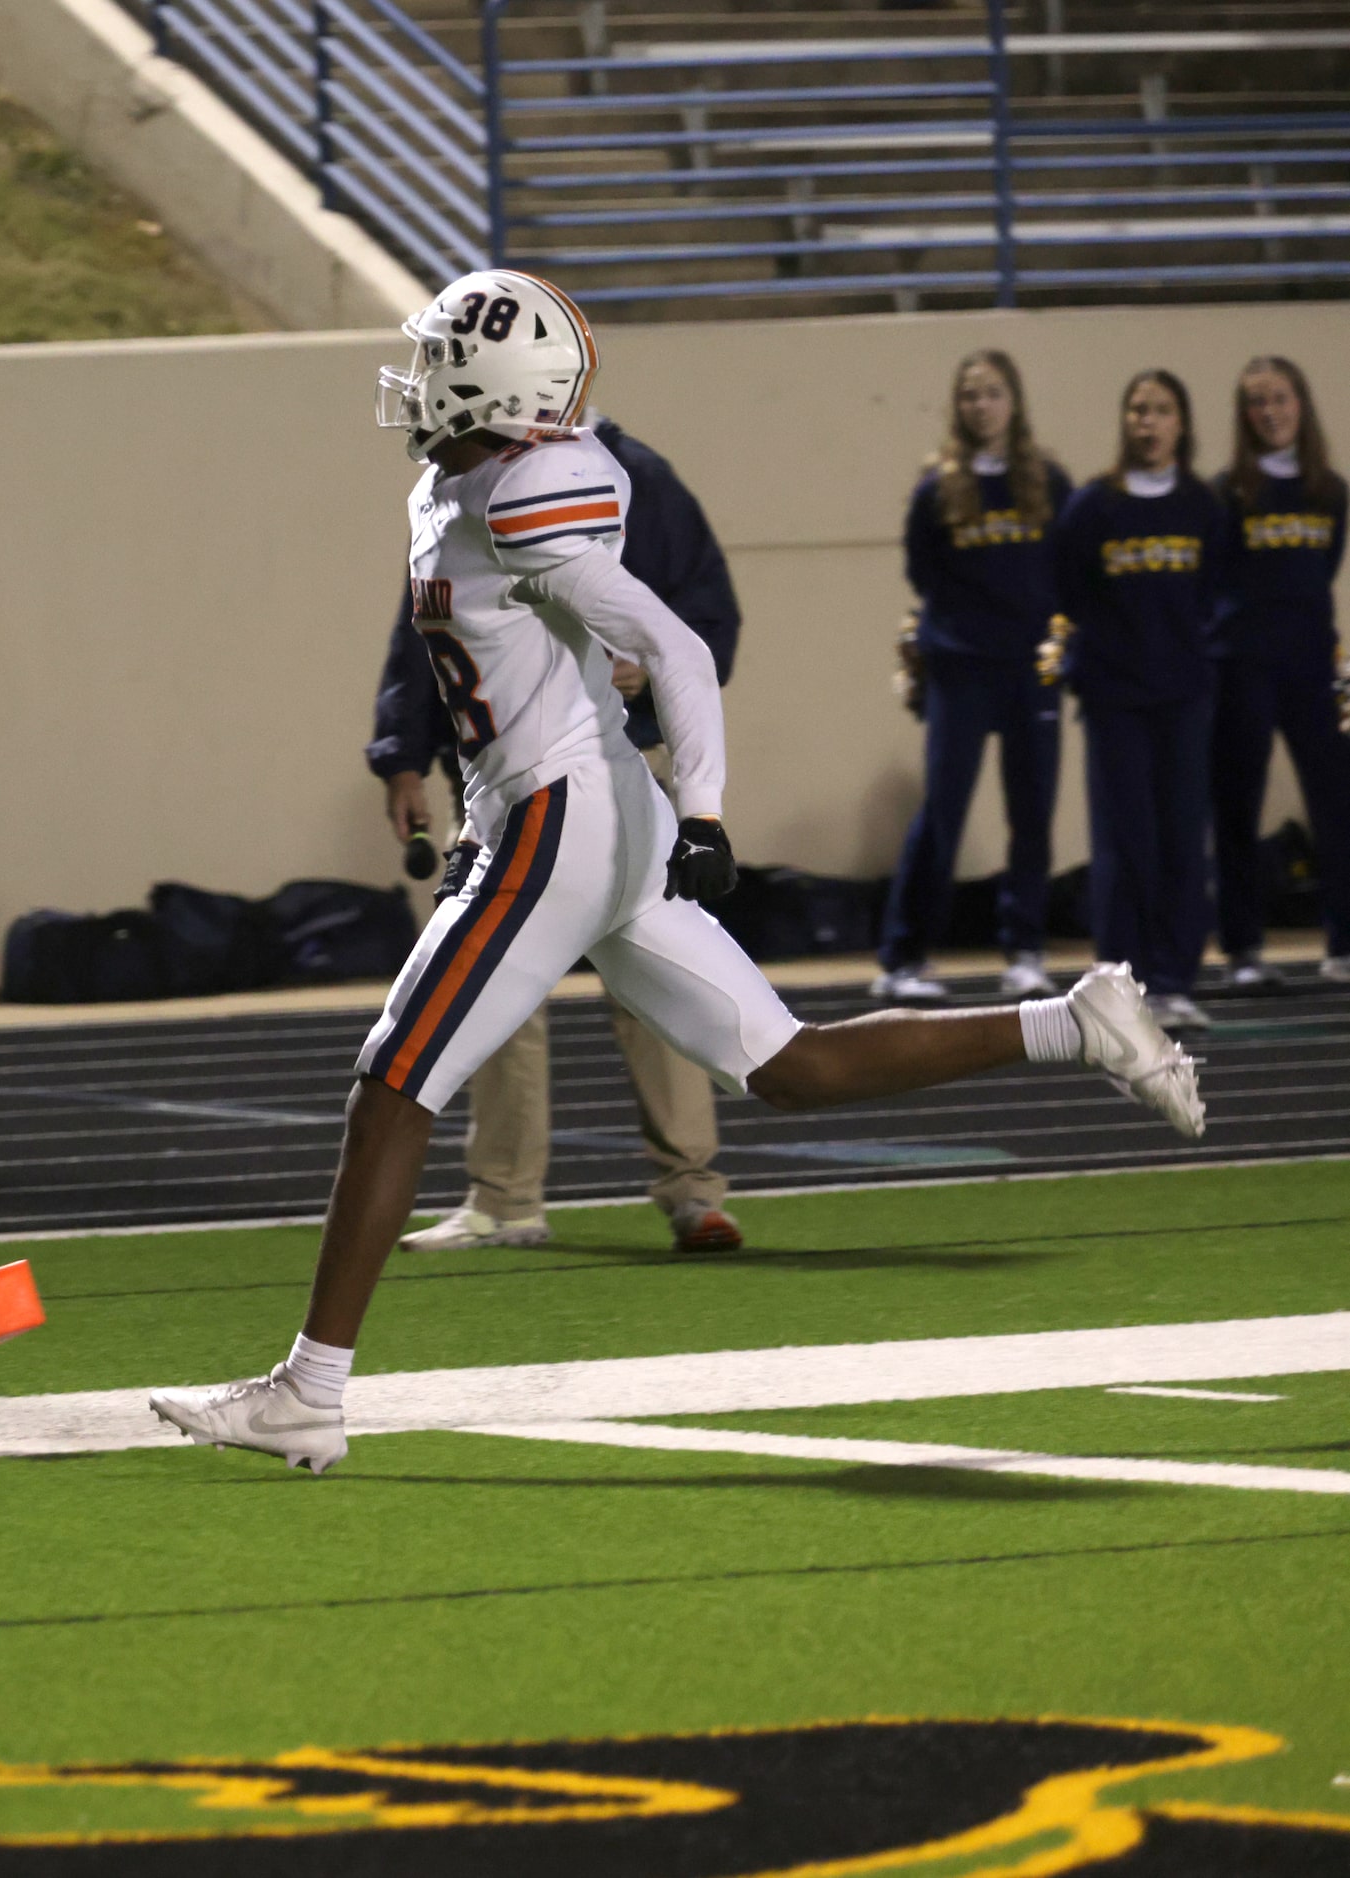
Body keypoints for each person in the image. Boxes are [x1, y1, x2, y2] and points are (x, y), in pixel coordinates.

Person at [145, 271, 1204, 1475]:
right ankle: (1077, 1024)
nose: (422, 375)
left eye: (446, 356)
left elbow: (678, 644)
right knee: (790, 1067)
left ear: (500, 385)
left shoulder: (521, 493)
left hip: (555, 820)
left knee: (393, 1081)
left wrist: (703, 809)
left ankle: (309, 1392)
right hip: (583, 813)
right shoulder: (463, 481)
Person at [370, 412, 745, 1253]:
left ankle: (688, 1185)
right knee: (495, 989)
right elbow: (424, 628)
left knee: (654, 990)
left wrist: (645, 679)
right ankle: (505, 1194)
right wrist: (400, 751)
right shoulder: (464, 479)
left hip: (606, 764)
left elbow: (698, 627)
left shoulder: (625, 473)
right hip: (500, 772)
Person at [875, 351, 1072, 1006]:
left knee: (1031, 812)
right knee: (942, 811)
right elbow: (921, 573)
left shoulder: (1048, 481)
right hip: (960, 668)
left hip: (1029, 671)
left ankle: (1024, 952)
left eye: (991, 394)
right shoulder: (936, 489)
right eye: (968, 396)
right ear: (956, 408)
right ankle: (904, 957)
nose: (979, 406)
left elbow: (1069, 570)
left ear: (1012, 401)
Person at [1046, 370, 1229, 1031]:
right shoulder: (1093, 507)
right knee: (1126, 843)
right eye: (1136, 410)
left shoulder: (1202, 506)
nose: (1146, 421)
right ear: (1124, 421)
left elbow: (1217, 588)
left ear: (1180, 423)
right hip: (1113, 696)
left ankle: (1175, 980)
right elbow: (1065, 586)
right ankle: (1124, 981)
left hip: (1181, 696)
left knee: (1182, 836)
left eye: (1160, 410)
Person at [1209, 356, 1350, 989]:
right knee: (1238, 805)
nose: (1270, 411)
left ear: (1302, 404)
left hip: (1310, 665)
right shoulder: (1226, 491)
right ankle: (1243, 948)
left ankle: (1342, 945)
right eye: (1257, 402)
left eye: (1281, 398)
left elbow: (1322, 572)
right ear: (1244, 415)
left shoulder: (1331, 490)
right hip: (1242, 668)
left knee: (1337, 803)